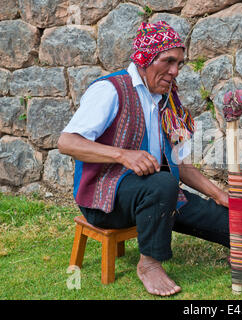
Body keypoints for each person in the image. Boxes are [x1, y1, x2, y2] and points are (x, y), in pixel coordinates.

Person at [58, 21, 230, 297]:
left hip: (157, 195)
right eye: (168, 61)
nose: (174, 71)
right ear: (144, 59)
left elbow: (179, 164)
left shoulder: (165, 100)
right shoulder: (110, 90)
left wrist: (219, 195)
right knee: (162, 183)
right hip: (105, 201)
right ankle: (150, 263)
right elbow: (67, 142)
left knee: (230, 223)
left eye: (179, 64)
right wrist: (122, 155)